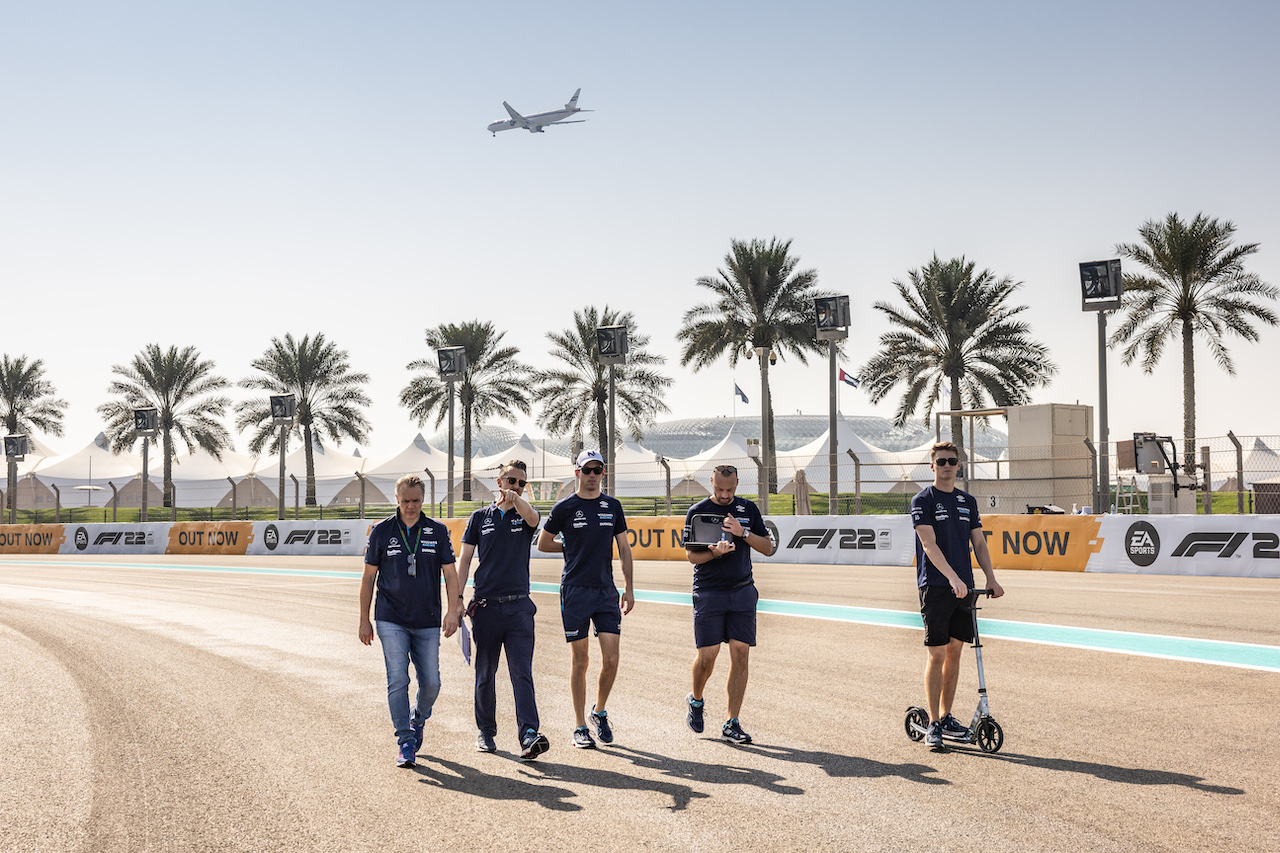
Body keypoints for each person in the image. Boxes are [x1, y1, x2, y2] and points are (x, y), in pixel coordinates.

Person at [359, 474, 461, 768]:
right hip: (390, 618)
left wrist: (453, 610)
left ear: (423, 499)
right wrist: (363, 620)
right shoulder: (381, 532)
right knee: (398, 678)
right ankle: (405, 741)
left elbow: (450, 574)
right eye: (405, 501)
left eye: (416, 500)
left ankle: (418, 719)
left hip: (427, 619)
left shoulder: (437, 531)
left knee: (431, 683)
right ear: (397, 499)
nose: (411, 506)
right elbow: (368, 578)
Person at [537, 450, 634, 749]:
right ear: (577, 472)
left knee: (612, 659)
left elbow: (624, 548)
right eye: (587, 470)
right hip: (575, 591)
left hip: (606, 592)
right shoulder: (565, 507)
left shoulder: (612, 506)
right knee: (581, 661)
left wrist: (629, 587)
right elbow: (543, 543)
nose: (592, 475)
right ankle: (579, 726)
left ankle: (599, 711)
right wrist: (570, 549)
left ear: (604, 472)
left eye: (598, 470)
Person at [910, 441, 1004, 748]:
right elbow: (929, 545)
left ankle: (946, 714)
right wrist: (951, 577)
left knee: (955, 652)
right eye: (941, 461)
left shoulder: (967, 501)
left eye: (952, 461)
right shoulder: (922, 500)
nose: (947, 465)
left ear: (958, 465)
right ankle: (934, 724)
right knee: (937, 653)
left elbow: (978, 543)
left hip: (964, 587)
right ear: (932, 465)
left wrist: (991, 578)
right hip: (936, 586)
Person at [456, 460, 550, 760]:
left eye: (522, 483)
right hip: (486, 606)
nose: (516, 487)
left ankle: (529, 734)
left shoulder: (525, 516)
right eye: (511, 481)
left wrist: (517, 500)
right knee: (485, 672)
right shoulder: (479, 517)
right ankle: (485, 731)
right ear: (499, 481)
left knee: (522, 672)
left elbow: (535, 519)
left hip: (519, 606)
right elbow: (465, 559)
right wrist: (457, 598)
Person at [683, 464, 773, 744]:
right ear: (711, 482)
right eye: (719, 489)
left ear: (736, 484)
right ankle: (696, 699)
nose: (724, 495)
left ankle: (732, 722)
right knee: (707, 657)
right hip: (709, 592)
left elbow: (768, 548)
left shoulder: (748, 509)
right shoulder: (697, 511)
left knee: (740, 654)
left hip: (743, 591)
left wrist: (742, 532)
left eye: (729, 490)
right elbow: (692, 557)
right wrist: (715, 554)